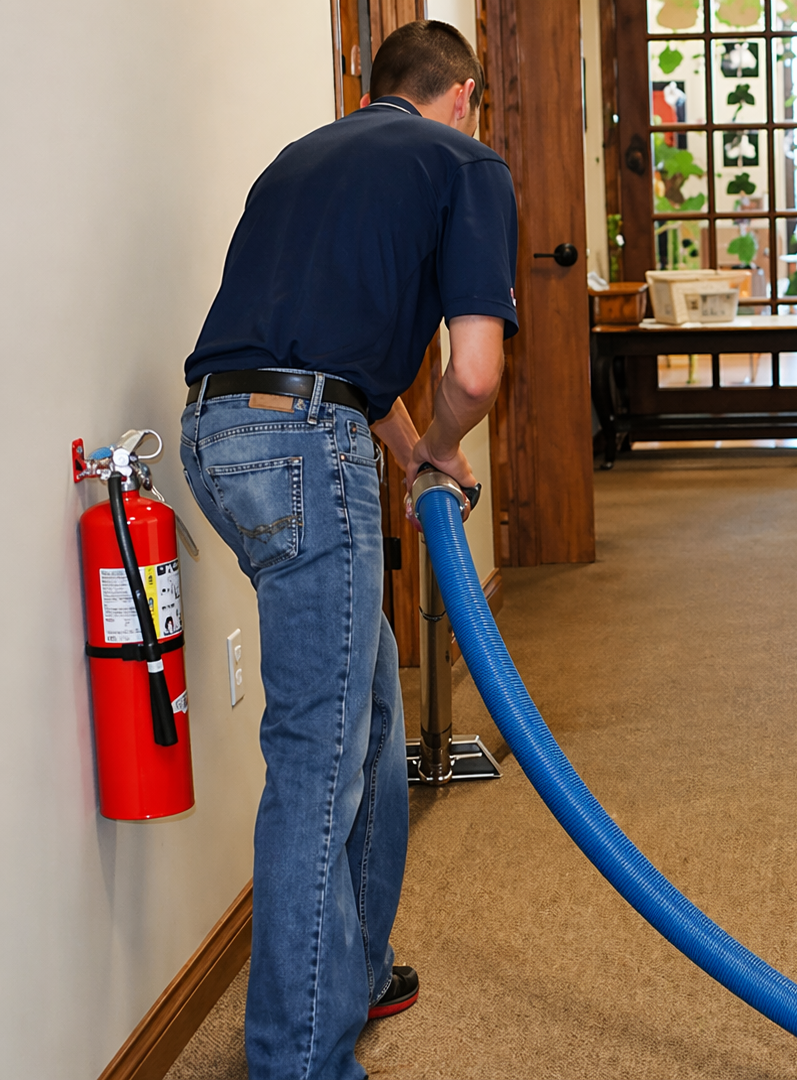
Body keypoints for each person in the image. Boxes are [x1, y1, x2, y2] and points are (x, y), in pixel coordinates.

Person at [179, 20, 517, 1080]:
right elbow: (474, 370)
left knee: (366, 705)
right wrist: (453, 447)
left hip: (217, 436)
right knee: (317, 762)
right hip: (301, 450)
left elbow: (336, 370)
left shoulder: (302, 160)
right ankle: (298, 1062)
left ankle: (353, 969)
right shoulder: (464, 163)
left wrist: (419, 457)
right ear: (460, 93)